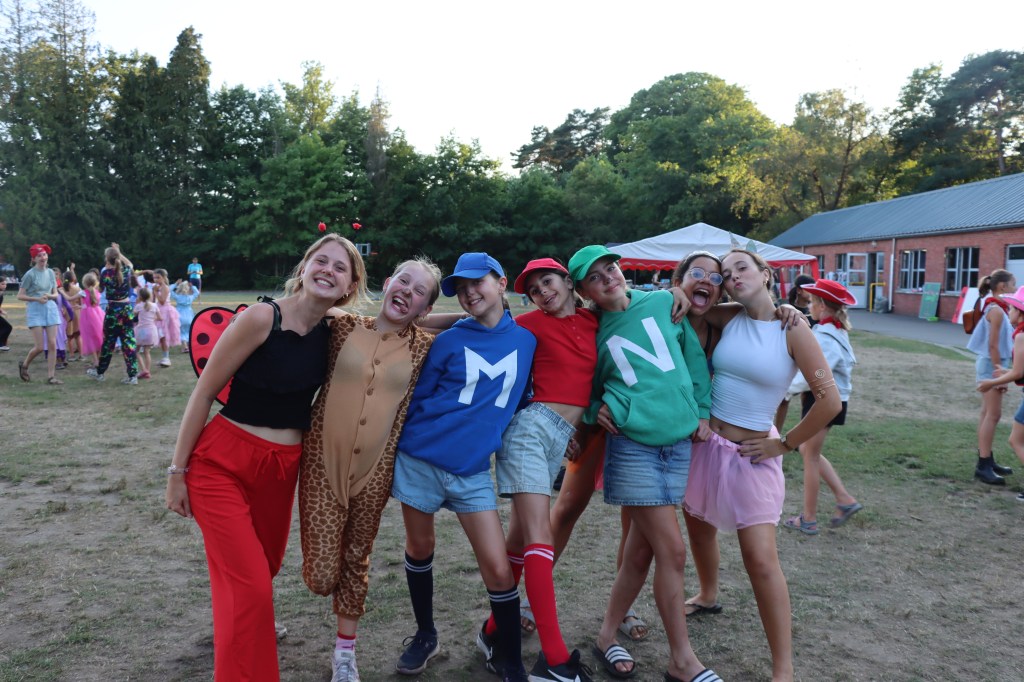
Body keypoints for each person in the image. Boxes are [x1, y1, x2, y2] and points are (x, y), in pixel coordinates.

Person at [164, 233, 365, 682]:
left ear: (350, 285)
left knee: (262, 569)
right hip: (221, 463)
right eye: (321, 260)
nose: (327, 271)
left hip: (281, 469)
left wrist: (468, 318)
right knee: (251, 585)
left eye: (340, 268)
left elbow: (395, 325)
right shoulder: (261, 318)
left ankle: (237, 631)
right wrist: (177, 472)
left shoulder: (337, 328)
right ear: (304, 266)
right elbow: (204, 393)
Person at [683, 248, 841, 682]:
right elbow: (691, 307)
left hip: (751, 455)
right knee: (699, 529)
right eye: (726, 273)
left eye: (742, 268)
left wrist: (785, 444)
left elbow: (829, 401)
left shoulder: (794, 328)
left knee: (761, 561)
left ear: (766, 274)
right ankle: (708, 593)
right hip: (706, 447)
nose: (733, 276)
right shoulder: (728, 317)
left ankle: (783, 669)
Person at [571, 245, 720, 682]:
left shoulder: (661, 302)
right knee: (673, 551)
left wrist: (702, 410)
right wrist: (594, 408)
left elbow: (694, 359)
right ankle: (682, 661)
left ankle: (605, 636)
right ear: (584, 292)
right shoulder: (589, 330)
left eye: (610, 268)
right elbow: (580, 385)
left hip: (678, 444)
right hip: (633, 447)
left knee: (640, 553)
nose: (608, 278)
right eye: (595, 277)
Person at [391, 252, 536, 682]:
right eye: (462, 287)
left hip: (472, 471)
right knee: (420, 547)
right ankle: (425, 635)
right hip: (420, 459)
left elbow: (523, 400)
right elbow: (417, 399)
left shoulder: (526, 341)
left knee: (498, 568)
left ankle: (507, 656)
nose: (471, 292)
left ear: (501, 282)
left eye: (479, 282)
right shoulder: (449, 340)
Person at [299, 257, 442, 682]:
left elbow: (468, 328)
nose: (407, 292)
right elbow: (309, 305)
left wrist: (456, 317)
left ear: (426, 309)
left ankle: (345, 653)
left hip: (375, 471)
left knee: (357, 559)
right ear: (388, 282)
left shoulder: (423, 346)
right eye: (404, 281)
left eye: (419, 292)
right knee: (322, 576)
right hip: (322, 463)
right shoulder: (342, 327)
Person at [477, 257, 596, 682]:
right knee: (539, 536)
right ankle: (555, 660)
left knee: (518, 541)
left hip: (559, 437)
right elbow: (476, 324)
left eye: (548, 282)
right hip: (529, 430)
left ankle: (492, 630)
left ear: (568, 281)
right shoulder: (528, 325)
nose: (543, 292)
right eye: (533, 290)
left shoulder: (595, 321)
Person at [782, 279, 863, 534]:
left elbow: (815, 374)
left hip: (824, 402)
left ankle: (809, 518)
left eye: (812, 302)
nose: (809, 307)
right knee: (807, 449)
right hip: (825, 400)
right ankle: (844, 499)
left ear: (823, 306)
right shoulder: (831, 330)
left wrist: (786, 390)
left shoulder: (827, 337)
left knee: (810, 456)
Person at [966, 269, 1017, 484]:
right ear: (1002, 286)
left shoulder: (998, 308)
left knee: (987, 413)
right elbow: (993, 345)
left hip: (992, 363)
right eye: (1013, 284)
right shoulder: (996, 310)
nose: (1015, 288)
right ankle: (983, 464)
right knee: (993, 415)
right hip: (991, 364)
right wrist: (998, 372)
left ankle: (987, 458)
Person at [977, 284, 1024, 502]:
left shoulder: (1021, 336)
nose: (1009, 311)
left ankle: (984, 462)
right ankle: (984, 461)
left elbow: (1019, 372)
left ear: (1021, 313)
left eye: (1012, 308)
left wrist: (992, 381)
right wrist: (1004, 373)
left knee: (1016, 440)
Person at [87, 243, 140, 385]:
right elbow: (130, 264)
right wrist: (119, 252)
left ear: (107, 259)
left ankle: (100, 372)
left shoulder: (105, 273)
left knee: (108, 343)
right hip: (126, 309)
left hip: (112, 311)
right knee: (128, 342)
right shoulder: (126, 270)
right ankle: (133, 376)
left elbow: (100, 289)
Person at [17, 244, 63, 385]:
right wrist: (36, 299)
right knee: (39, 346)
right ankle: (24, 365)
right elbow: (20, 295)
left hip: (50, 309)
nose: (42, 258)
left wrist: (49, 296)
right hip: (35, 310)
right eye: (39, 256)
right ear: (34, 259)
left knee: (52, 344)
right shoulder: (30, 274)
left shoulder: (50, 273)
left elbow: (55, 294)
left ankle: (51, 377)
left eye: (44, 255)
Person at [77, 272, 104, 368]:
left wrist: (61, 292)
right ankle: (99, 359)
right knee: (99, 336)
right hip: (98, 314)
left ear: (84, 282)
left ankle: (95, 360)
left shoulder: (83, 292)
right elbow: (91, 304)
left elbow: (70, 298)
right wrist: (82, 306)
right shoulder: (97, 292)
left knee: (89, 337)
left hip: (87, 316)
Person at [133, 287, 161, 379]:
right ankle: (147, 371)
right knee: (147, 352)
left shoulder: (138, 306)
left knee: (136, 351)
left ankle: (143, 370)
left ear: (140, 297)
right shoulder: (154, 305)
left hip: (141, 330)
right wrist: (153, 318)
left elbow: (133, 315)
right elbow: (160, 318)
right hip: (151, 330)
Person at [171, 280, 199, 353]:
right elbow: (197, 293)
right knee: (189, 331)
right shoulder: (190, 297)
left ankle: (185, 347)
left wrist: (175, 284)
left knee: (181, 332)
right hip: (189, 316)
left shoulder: (178, 297)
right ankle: (189, 346)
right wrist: (192, 286)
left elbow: (169, 291)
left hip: (180, 316)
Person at [0, 276, 11, 351]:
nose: (5, 286)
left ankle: (3, 344)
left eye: (5, 284)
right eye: (2, 284)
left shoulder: (1, 293)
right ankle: (1, 344)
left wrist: (2, 311)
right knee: (7, 327)